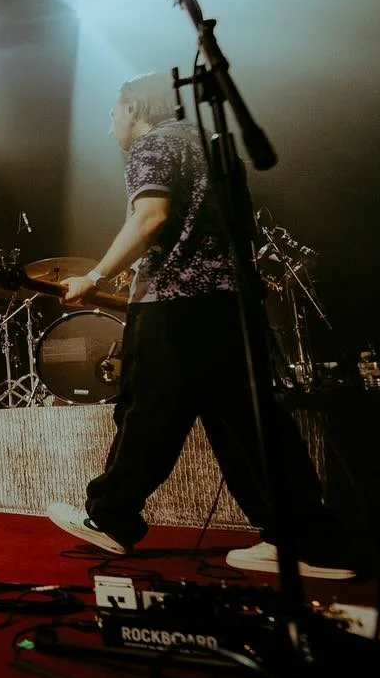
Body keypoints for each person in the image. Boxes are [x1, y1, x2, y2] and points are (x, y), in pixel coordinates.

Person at [46, 72, 353, 580]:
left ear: (135, 108)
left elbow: (150, 219)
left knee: (146, 414)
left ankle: (112, 518)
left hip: (176, 307)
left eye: (112, 114)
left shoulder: (151, 146)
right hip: (231, 304)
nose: (110, 127)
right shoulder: (213, 146)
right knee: (249, 425)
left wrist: (97, 274)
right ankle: (309, 542)